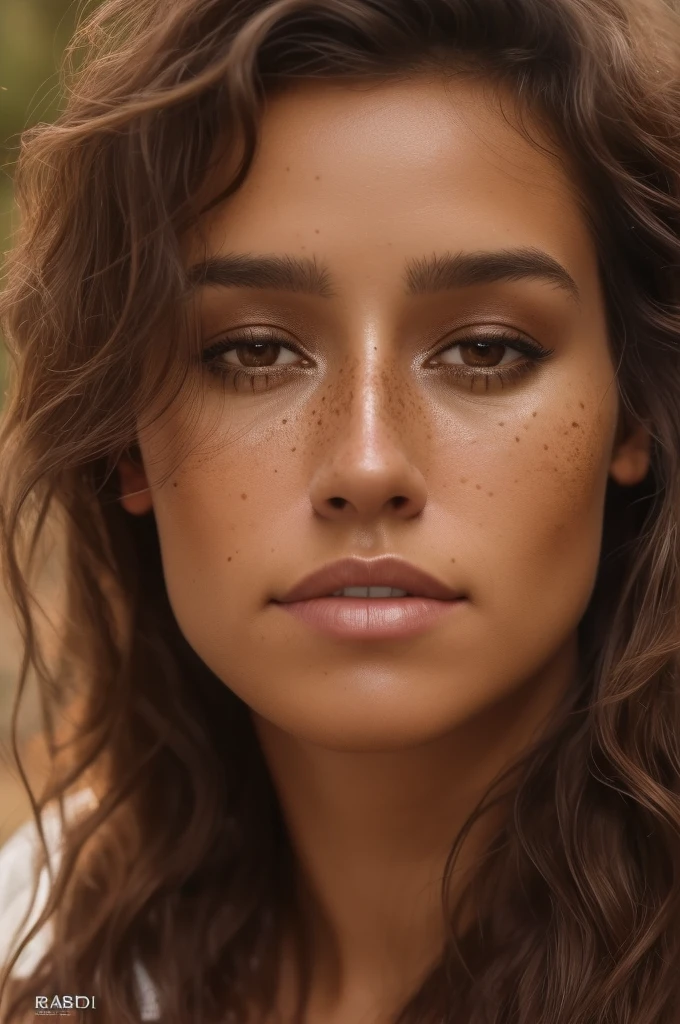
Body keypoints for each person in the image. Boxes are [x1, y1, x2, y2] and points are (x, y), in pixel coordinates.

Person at [0, 0, 678, 1020]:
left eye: (485, 348)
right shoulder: (41, 942)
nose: (365, 463)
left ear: (631, 412)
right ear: (124, 440)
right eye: (253, 351)